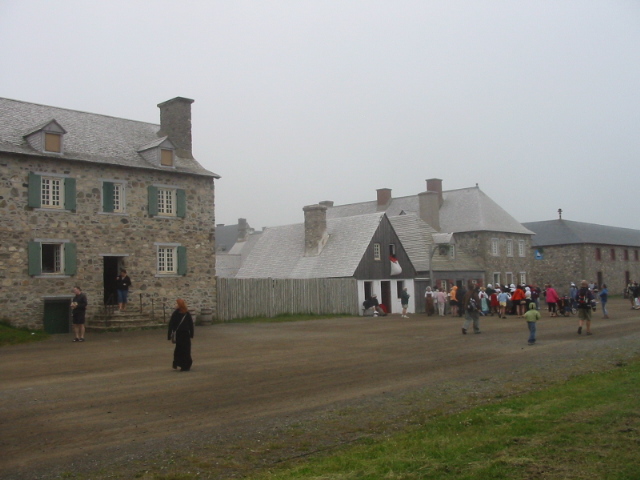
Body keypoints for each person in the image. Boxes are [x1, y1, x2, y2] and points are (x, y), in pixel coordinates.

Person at [167, 298, 194, 371]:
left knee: (181, 350)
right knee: (183, 350)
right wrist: (191, 334)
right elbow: (190, 325)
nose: (176, 305)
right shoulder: (185, 313)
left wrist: (169, 334)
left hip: (182, 334)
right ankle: (183, 364)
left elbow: (171, 324)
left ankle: (182, 364)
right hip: (183, 334)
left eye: (177, 304)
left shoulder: (178, 313)